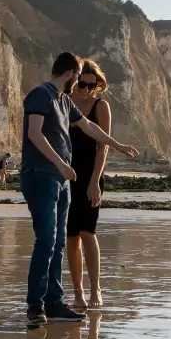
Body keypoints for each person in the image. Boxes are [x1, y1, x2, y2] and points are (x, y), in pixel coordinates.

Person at [21, 51, 139, 325]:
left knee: (60, 242)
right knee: (47, 241)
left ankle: (54, 302)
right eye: (78, 78)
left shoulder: (64, 101)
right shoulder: (41, 94)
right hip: (41, 176)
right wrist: (62, 165)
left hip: (62, 181)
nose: (80, 85)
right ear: (71, 74)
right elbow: (34, 134)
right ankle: (35, 305)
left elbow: (88, 127)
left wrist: (117, 145)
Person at [65, 59, 113, 311]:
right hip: (66, 175)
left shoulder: (100, 106)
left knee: (87, 232)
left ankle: (96, 288)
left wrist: (95, 181)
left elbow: (102, 147)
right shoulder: (65, 102)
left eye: (92, 86)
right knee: (71, 237)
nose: (86, 90)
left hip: (90, 176)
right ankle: (78, 293)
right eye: (82, 84)